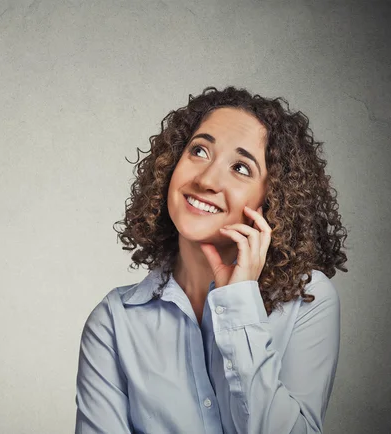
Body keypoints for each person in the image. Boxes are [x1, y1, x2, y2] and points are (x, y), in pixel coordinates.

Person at [74, 86, 348, 434]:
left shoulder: (309, 300)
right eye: (199, 150)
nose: (205, 180)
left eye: (240, 167)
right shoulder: (113, 322)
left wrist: (240, 306)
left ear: (274, 198)